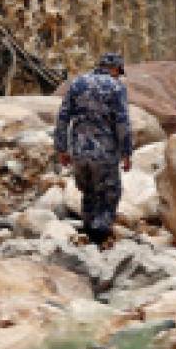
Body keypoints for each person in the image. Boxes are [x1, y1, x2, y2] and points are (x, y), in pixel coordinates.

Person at [53, 51, 134, 247]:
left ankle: (89, 232)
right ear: (114, 69)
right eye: (118, 71)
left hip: (79, 152)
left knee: (88, 192)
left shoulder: (77, 83)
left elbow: (63, 117)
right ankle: (101, 237)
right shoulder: (116, 88)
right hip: (104, 153)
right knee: (109, 192)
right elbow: (122, 123)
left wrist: (61, 148)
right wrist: (127, 152)